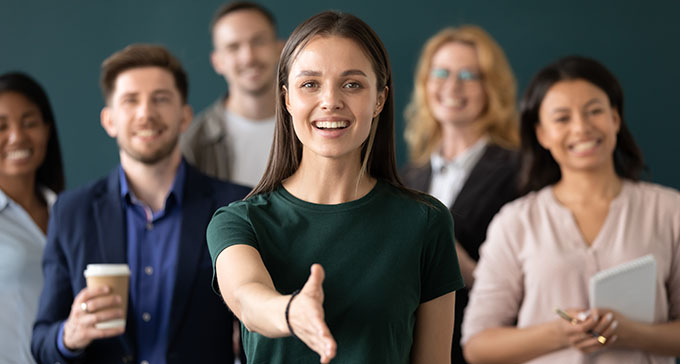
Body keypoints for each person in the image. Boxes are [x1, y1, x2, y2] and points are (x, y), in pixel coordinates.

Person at [207, 10, 464, 364]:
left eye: (352, 84)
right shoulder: (239, 221)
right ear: (286, 99)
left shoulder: (426, 222)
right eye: (310, 84)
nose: (330, 100)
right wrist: (290, 312)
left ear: (379, 99)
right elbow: (248, 299)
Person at [31, 44, 251, 364]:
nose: (145, 113)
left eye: (161, 99)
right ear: (109, 120)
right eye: (130, 100)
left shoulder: (235, 205)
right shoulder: (71, 212)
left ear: (185, 116)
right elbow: (41, 342)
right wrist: (71, 334)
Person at [462, 56, 680, 363]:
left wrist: (631, 332)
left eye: (594, 111)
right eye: (562, 118)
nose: (581, 127)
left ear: (615, 119)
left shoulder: (670, 211)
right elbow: (478, 345)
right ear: (542, 134)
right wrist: (561, 333)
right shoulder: (515, 221)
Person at [399, 25, 519, 363]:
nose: (452, 86)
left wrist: (451, 254)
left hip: (481, 348)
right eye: (441, 73)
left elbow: (532, 285)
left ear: (491, 87)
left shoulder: (521, 171)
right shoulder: (408, 176)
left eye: (469, 75)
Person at [180, 1, 282, 187]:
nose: (248, 57)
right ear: (217, 62)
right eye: (233, 47)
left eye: (258, 41)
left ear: (279, 49)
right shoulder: (194, 143)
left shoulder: (312, 126)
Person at [0, 72, 64, 364]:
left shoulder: (69, 211)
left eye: (29, 123)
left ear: (47, 129)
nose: (17, 137)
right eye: (1, 127)